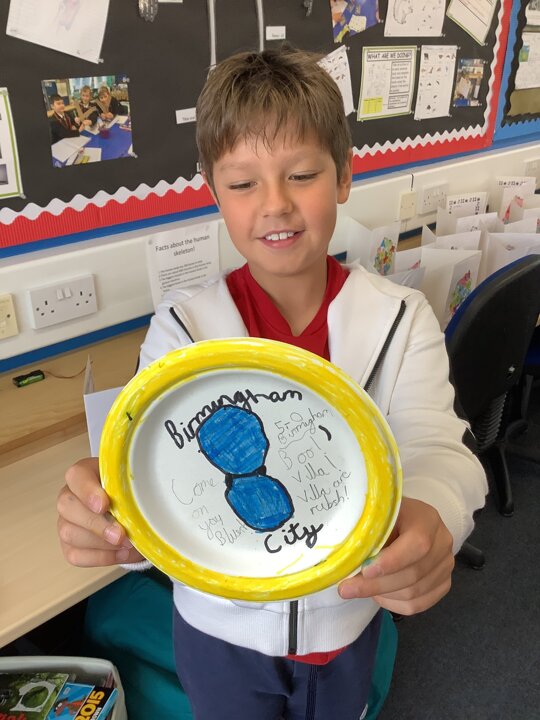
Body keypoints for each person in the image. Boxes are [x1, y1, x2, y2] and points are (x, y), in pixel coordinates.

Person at [57, 46, 487, 719]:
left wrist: (437, 508)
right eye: (242, 183)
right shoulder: (183, 330)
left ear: (344, 176)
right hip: (218, 633)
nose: (276, 205)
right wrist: (117, 521)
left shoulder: (401, 318)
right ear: (213, 192)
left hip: (348, 621)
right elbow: (156, 474)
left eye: (303, 174)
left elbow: (436, 444)